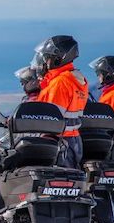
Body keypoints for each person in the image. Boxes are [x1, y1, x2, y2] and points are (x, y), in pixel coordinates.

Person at [32, 35, 89, 168]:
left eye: (48, 58)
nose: (45, 62)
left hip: (57, 142)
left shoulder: (60, 83)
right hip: (73, 140)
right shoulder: (76, 80)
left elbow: (50, 118)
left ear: (58, 58)